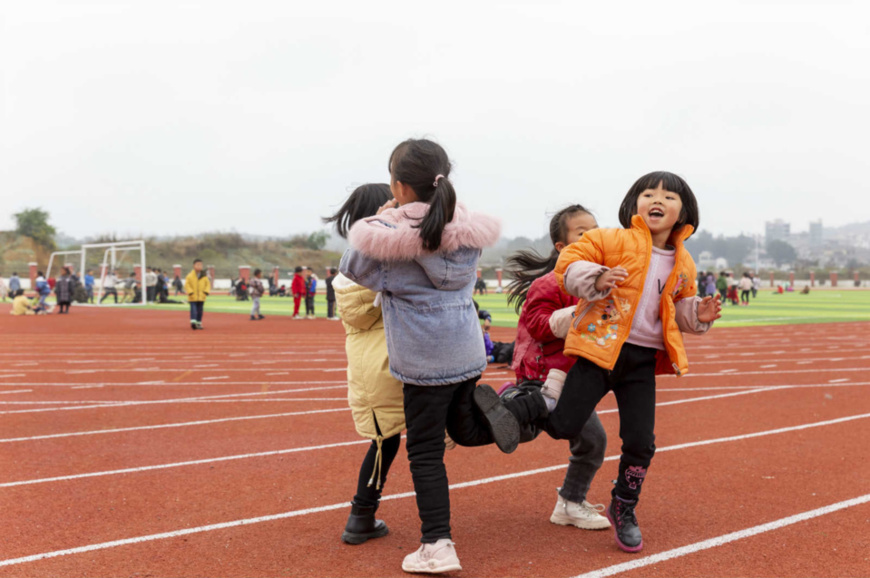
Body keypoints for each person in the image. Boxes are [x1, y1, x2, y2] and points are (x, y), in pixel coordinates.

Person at [489, 171, 722, 554]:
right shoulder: (610, 239)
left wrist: (698, 313)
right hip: (599, 352)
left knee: (641, 443)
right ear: (635, 203)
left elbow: (677, 306)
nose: (657, 200)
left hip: (641, 363)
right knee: (564, 425)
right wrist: (596, 279)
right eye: (648, 194)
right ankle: (524, 399)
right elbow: (572, 262)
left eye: (668, 197)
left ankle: (624, 505)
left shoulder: (684, 263)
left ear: (684, 212)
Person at [340, 138, 508, 573]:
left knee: (426, 453)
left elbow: (353, 266)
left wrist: (385, 216)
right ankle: (526, 410)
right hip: (466, 351)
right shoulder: (466, 230)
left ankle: (437, 543)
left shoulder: (392, 237)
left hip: (423, 361)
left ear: (398, 187)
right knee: (466, 427)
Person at [502, 204, 611, 531]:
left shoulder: (600, 281)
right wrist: (580, 312)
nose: (593, 236)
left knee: (590, 441)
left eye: (596, 229)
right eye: (582, 232)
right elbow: (537, 325)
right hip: (542, 377)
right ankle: (479, 416)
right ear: (563, 248)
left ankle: (569, 503)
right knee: (524, 428)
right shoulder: (552, 283)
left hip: (572, 380)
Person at [324, 183, 408, 545]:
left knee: (386, 442)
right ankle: (363, 516)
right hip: (394, 359)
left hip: (374, 365)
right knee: (422, 434)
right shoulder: (380, 262)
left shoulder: (351, 263)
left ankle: (362, 515)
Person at [184, 258, 211, 330]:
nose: (199, 266)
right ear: (193, 266)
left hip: (201, 296)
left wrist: (206, 291)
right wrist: (190, 292)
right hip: (193, 296)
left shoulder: (204, 276)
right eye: (197, 265)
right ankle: (193, 322)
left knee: (200, 310)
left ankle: (199, 322)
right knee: (193, 309)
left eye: (200, 265)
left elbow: (208, 284)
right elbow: (187, 285)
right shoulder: (189, 275)